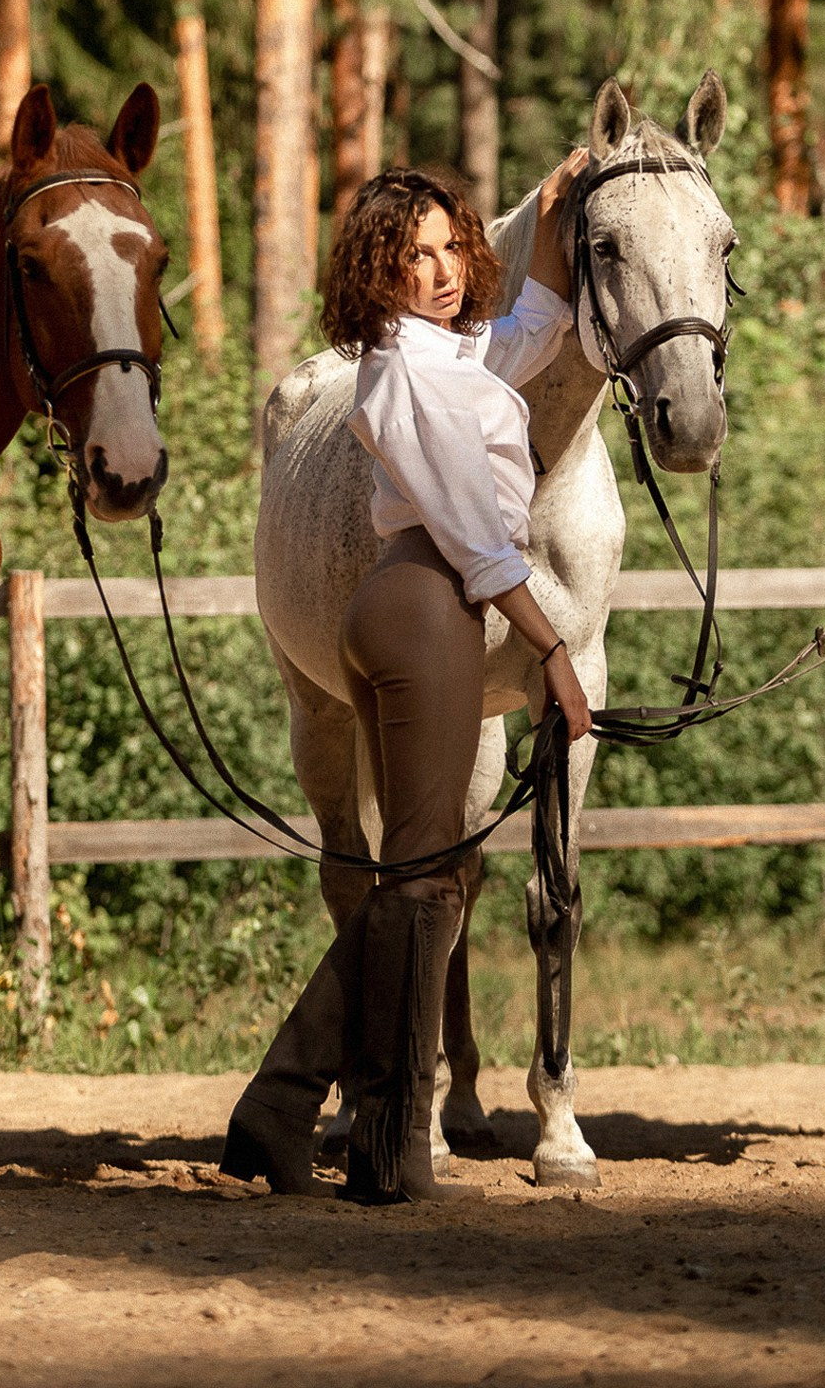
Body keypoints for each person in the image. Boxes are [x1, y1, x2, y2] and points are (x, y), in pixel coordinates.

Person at [221, 152, 594, 1204]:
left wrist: (558, 213)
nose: (436, 270)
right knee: (421, 885)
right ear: (376, 272)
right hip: (426, 608)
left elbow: (538, 328)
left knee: (422, 885)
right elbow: (478, 540)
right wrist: (556, 653)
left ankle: (375, 1141)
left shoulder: (451, 350)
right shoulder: (402, 372)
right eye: (412, 255)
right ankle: (291, 1100)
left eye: (447, 249)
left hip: (429, 608)